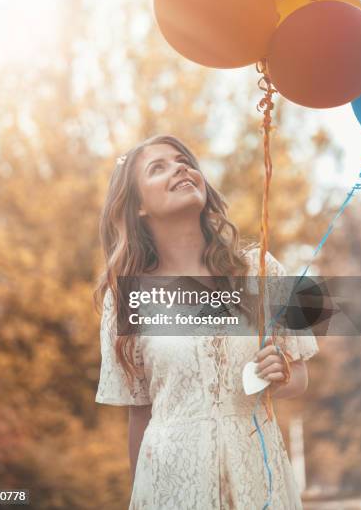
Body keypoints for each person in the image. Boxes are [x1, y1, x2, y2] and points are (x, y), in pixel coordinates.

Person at [95, 134, 319, 509]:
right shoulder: (125, 297)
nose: (181, 167)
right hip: (173, 482)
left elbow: (300, 379)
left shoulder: (260, 269)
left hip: (256, 476)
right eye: (158, 167)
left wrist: (282, 370)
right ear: (138, 208)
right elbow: (140, 412)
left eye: (183, 160)